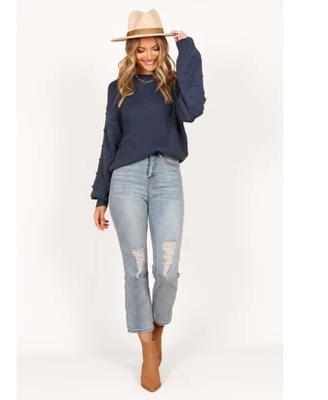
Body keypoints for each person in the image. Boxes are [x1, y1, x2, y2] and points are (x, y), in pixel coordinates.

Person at [90, 9, 206, 392]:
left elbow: (194, 109)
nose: (149, 55)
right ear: (131, 52)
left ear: (162, 48)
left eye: (155, 48)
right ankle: (146, 349)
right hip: (126, 179)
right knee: (136, 268)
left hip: (167, 176)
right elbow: (110, 141)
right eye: (141, 50)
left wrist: (188, 51)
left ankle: (157, 332)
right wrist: (101, 194)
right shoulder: (118, 89)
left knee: (167, 269)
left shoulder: (173, 84)